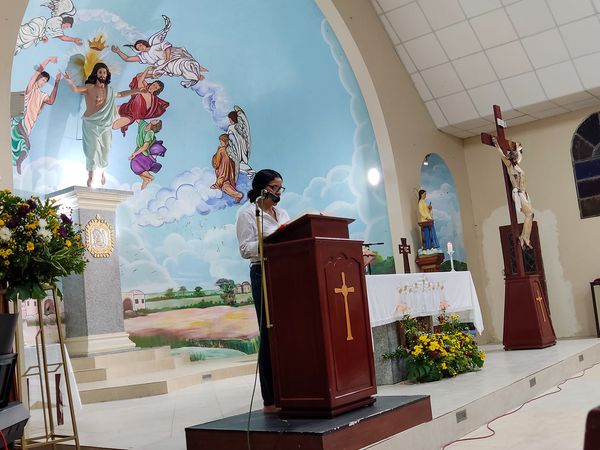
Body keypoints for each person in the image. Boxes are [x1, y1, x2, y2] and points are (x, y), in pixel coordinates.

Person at [236, 169, 290, 413]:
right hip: (263, 271)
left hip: (285, 270)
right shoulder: (248, 214)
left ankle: (292, 390)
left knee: (288, 330)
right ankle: (271, 399)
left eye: (280, 188)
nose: (278, 193)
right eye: (274, 188)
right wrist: (270, 242)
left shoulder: (283, 214)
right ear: (261, 189)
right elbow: (245, 249)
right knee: (269, 332)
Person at [63, 62, 141, 187]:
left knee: (106, 150)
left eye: (104, 72)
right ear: (96, 73)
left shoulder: (109, 90)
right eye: (100, 72)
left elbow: (121, 94)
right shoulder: (89, 87)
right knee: (93, 150)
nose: (103, 74)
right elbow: (76, 89)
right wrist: (70, 81)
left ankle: (102, 171)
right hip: (91, 124)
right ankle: (90, 174)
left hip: (105, 125)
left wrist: (136, 90)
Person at [111, 15, 208, 88]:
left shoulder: (154, 45)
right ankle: (195, 78)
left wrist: (167, 59)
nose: (140, 48)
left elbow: (166, 47)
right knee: (179, 70)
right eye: (138, 48)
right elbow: (127, 59)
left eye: (140, 45)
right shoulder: (144, 56)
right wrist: (118, 51)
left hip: (172, 59)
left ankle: (196, 76)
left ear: (144, 43)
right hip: (164, 66)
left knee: (184, 64)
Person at [11, 57, 62, 173]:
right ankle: (18, 164)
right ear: (38, 79)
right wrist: (48, 60)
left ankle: (18, 163)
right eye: (42, 79)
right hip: (20, 124)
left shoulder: (42, 95)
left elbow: (51, 101)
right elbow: (36, 73)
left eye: (45, 81)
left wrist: (57, 82)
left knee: (24, 149)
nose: (43, 83)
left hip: (28, 127)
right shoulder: (31, 89)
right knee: (24, 145)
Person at [492, 136, 534, 249]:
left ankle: (524, 237)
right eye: (514, 156)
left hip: (524, 192)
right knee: (529, 214)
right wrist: (496, 144)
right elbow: (501, 154)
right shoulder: (509, 165)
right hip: (518, 193)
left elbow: (520, 154)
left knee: (531, 215)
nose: (516, 157)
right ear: (511, 157)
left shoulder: (517, 164)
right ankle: (524, 237)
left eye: (516, 156)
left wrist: (518, 147)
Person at [112, 66, 169, 136]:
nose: (153, 87)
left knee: (114, 126)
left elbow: (140, 81)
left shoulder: (148, 95)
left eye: (156, 88)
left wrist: (147, 69)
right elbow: (138, 76)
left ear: (157, 91)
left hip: (130, 116)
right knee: (106, 112)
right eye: (154, 85)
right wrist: (152, 76)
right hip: (126, 107)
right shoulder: (146, 89)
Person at [128, 119, 167, 190]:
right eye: (156, 119)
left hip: (144, 153)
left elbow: (145, 147)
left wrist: (134, 154)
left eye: (156, 121)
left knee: (134, 165)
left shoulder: (150, 133)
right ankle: (145, 183)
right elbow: (137, 119)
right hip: (139, 149)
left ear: (155, 125)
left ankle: (151, 177)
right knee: (142, 175)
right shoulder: (143, 124)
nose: (155, 119)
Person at [210, 134, 243, 203]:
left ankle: (238, 195)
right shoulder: (229, 150)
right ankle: (238, 195)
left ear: (224, 141)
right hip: (230, 175)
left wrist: (214, 157)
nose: (220, 143)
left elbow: (217, 163)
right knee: (225, 187)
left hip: (223, 174)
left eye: (221, 141)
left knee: (223, 186)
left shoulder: (221, 150)